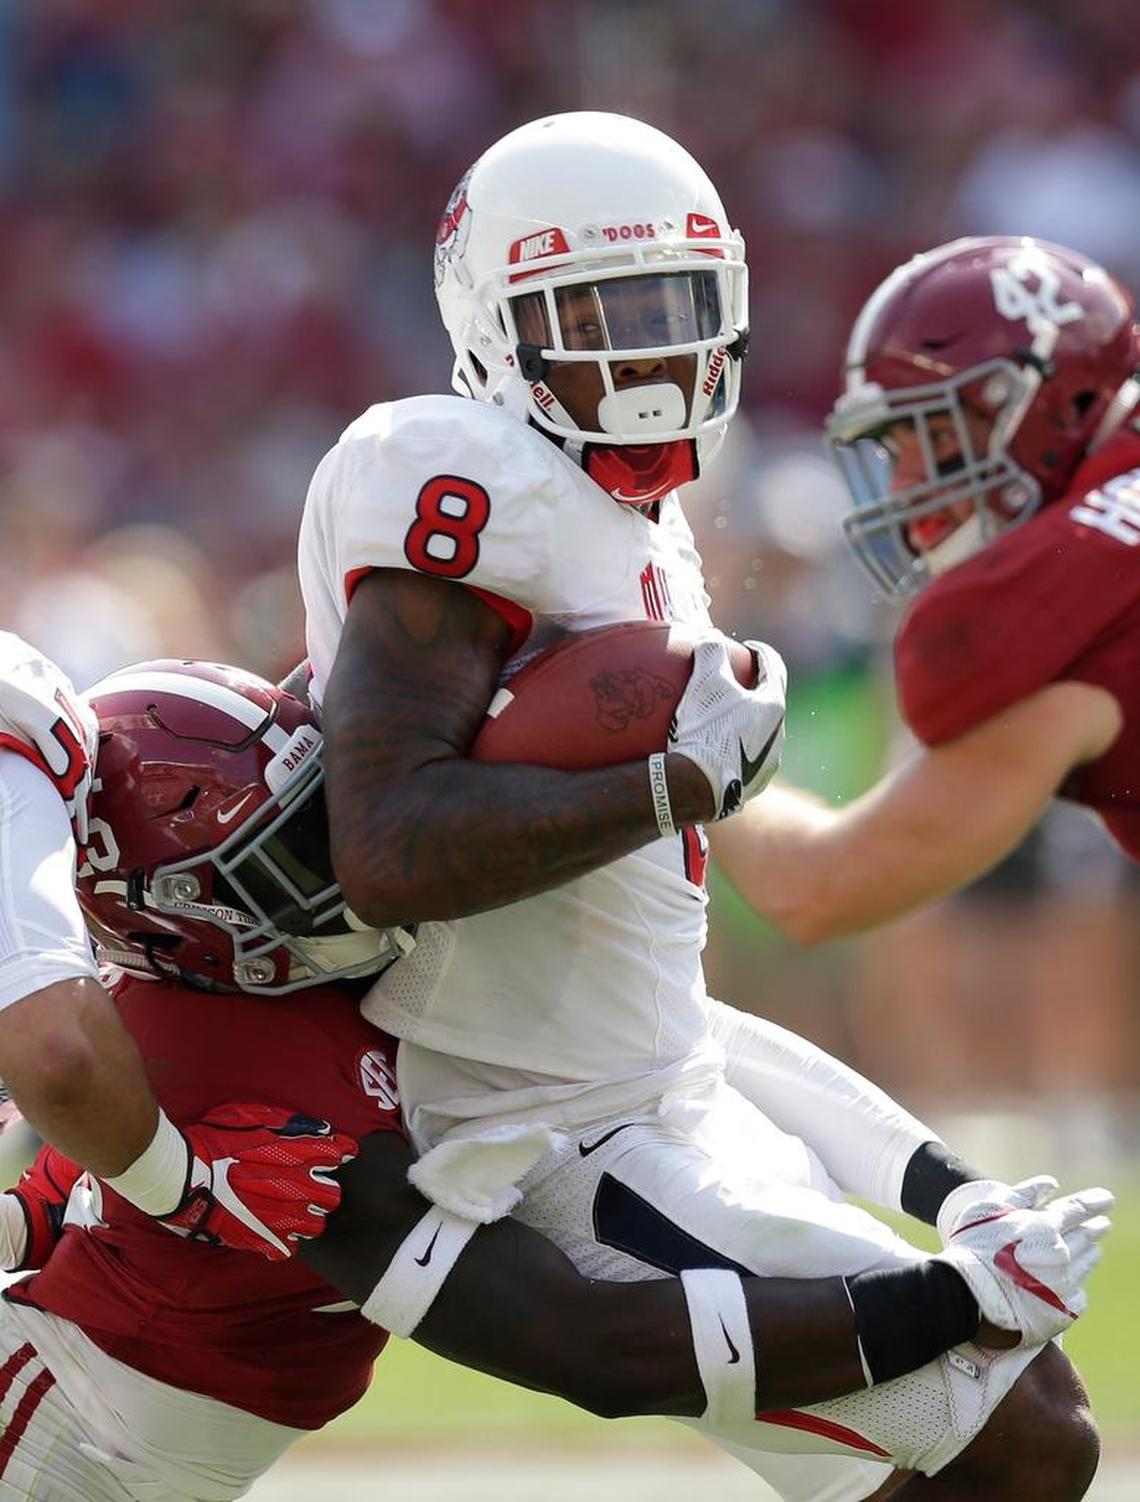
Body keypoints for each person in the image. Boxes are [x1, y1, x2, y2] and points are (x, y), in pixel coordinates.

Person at [296, 115, 1111, 1501]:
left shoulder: (635, 519)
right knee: (1020, 1430)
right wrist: (677, 778)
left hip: (655, 1081)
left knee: (1003, 1427)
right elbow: (384, 848)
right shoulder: (461, 474)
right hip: (547, 1124)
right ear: (497, 321)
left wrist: (938, 1180)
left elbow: (692, 997)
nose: (650, 352)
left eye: (677, 307)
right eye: (599, 313)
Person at [0, 656, 1104, 1500]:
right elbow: (598, 1346)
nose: (344, 876)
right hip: (71, 1424)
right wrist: (953, 1292)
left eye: (325, 821)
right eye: (287, 864)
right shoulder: (251, 1080)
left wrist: (956, 1195)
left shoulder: (337, 962)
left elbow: (693, 1033)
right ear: (178, 919)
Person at [709, 235, 1140, 942]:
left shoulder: (1068, 598)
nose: (907, 484)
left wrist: (695, 732)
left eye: (931, 435)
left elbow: (814, 887)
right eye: (893, 450)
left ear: (1044, 405)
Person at [0, 631, 356, 1266]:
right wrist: (184, 1190)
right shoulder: (25, 752)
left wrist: (28, 1217)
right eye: (291, 860)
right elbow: (58, 1056)